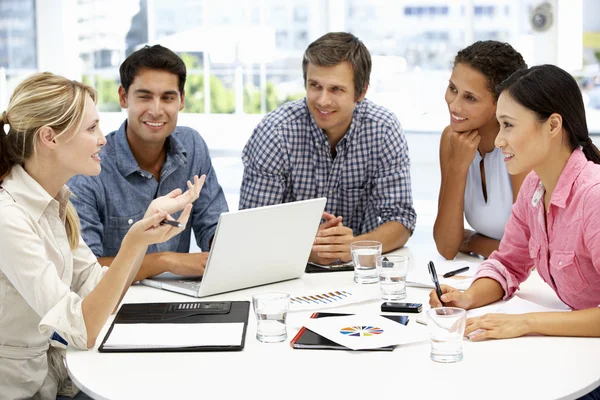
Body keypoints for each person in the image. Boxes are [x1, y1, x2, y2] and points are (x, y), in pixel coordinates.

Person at [0, 72, 202, 398]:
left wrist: (145, 233)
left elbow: (101, 295)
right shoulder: (8, 218)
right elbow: (83, 330)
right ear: (49, 137)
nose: (103, 139)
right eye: (91, 128)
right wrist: (134, 242)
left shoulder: (57, 203)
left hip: (52, 382)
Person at [429, 64, 600, 346]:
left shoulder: (593, 196)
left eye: (508, 125)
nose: (498, 140)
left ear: (553, 126)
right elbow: (507, 264)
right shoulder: (535, 187)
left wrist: (526, 322)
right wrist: (467, 297)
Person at [239, 32, 416, 265]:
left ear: (361, 92)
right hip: (285, 269)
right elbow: (251, 229)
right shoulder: (275, 133)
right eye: (315, 86)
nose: (322, 100)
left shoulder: (383, 129)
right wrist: (307, 250)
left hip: (361, 270)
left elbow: (401, 220)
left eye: (336, 89)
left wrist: (355, 246)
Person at [68, 45, 228, 281]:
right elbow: (86, 271)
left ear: (182, 100)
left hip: (179, 297)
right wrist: (165, 261)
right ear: (123, 97)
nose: (156, 110)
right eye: (144, 97)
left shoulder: (192, 145)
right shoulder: (90, 166)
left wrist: (223, 251)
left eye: (167, 98)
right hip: (115, 304)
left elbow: (213, 225)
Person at [434, 41, 528, 260]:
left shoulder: (521, 145)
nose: (454, 106)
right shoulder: (451, 139)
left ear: (501, 102)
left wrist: (471, 241)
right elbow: (447, 247)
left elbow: (528, 253)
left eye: (470, 98)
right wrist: (458, 167)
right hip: (491, 272)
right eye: (453, 89)